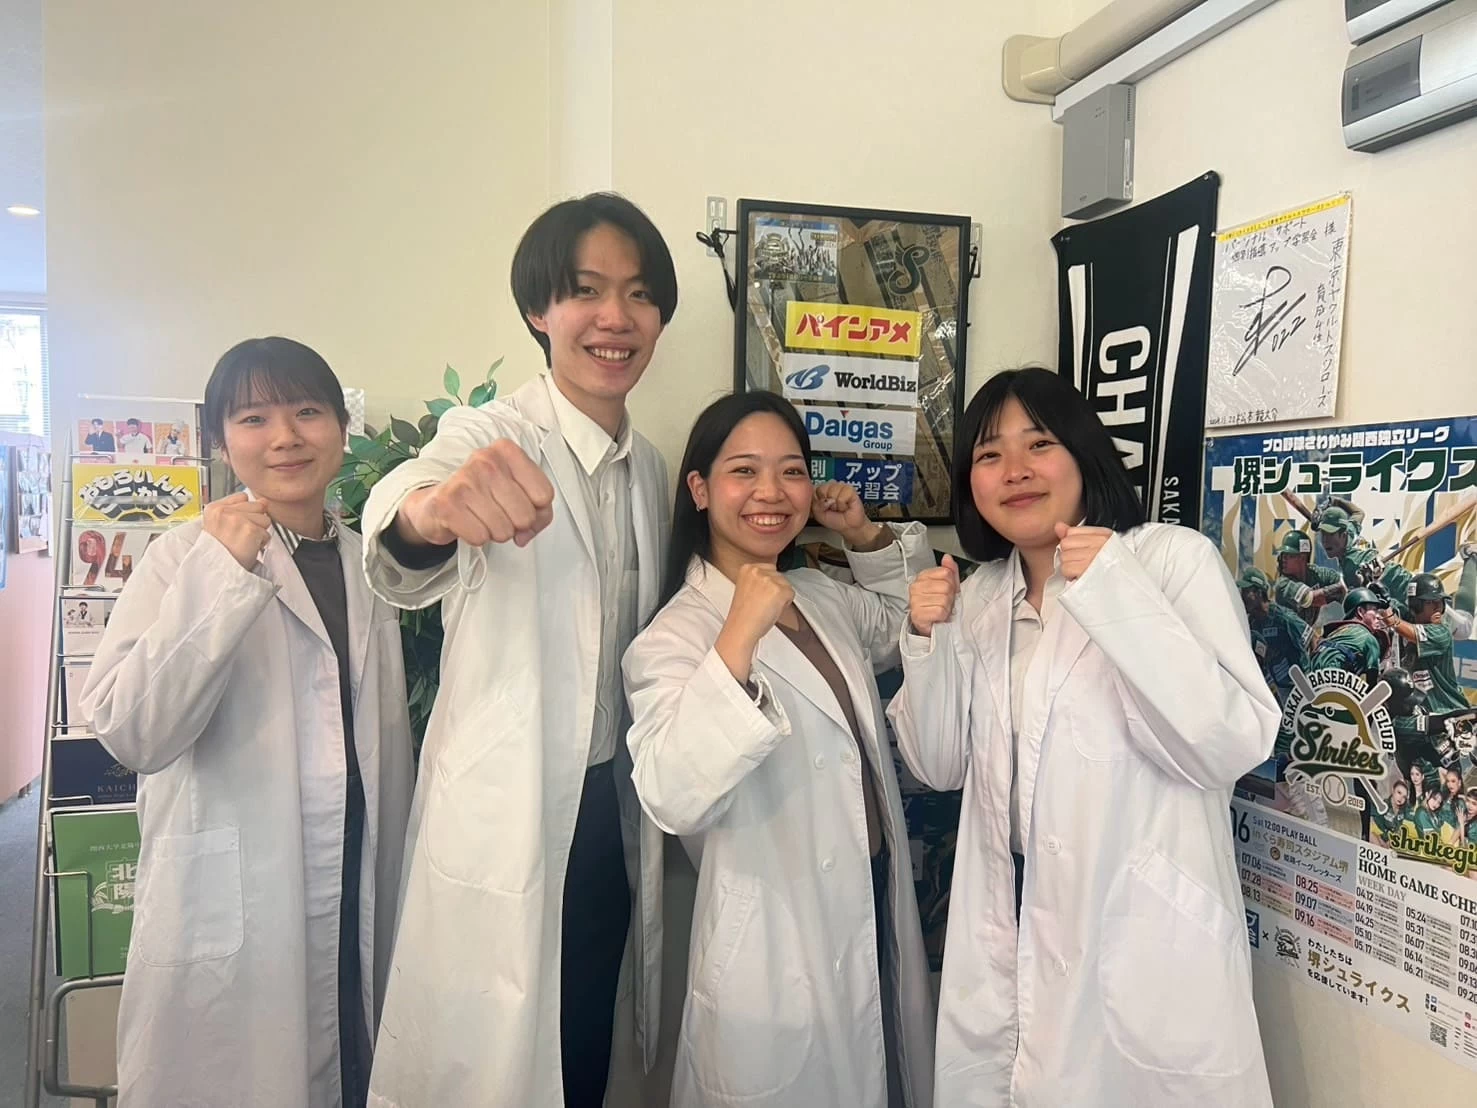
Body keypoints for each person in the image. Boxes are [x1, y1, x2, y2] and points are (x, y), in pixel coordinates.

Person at [360, 193, 678, 1108]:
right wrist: (432, 512)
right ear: (540, 310)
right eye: (585, 291)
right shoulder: (490, 435)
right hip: (507, 809)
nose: (615, 318)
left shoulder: (650, 468)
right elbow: (409, 511)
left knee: (582, 1042)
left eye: (639, 294)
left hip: (607, 808)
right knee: (489, 1060)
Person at [889, 367, 1276, 1107]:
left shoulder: (1168, 560)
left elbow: (1227, 743)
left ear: (1083, 453)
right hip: (1009, 916)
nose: (1015, 470)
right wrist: (925, 637)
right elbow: (937, 765)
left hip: (1137, 934)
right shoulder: (981, 595)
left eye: (1039, 444)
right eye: (989, 455)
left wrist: (1113, 592)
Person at [80, 337, 415, 1107]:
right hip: (247, 889)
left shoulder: (370, 565)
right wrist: (221, 576)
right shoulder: (181, 559)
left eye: (307, 412)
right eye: (254, 418)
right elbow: (134, 731)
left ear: (342, 428)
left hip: (359, 873)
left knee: (356, 1062)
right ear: (220, 442)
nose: (285, 437)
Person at [622, 393, 936, 1108]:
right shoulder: (674, 636)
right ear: (700, 489)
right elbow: (672, 793)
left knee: (881, 1072)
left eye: (791, 471)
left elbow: (900, 622)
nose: (771, 492)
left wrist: (862, 534)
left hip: (872, 890)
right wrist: (737, 635)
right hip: (773, 933)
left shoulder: (816, 593)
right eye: (744, 471)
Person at [1238, 565, 1310, 703]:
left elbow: (1312, 640)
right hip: (1280, 687)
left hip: (1301, 684)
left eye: (1246, 591)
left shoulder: (1282, 617)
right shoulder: (1251, 624)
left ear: (1259, 592)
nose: (1242, 596)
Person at [1271, 529, 1344, 628]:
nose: (1284, 559)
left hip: (1305, 632)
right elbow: (1312, 599)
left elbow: (1342, 581)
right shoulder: (1283, 584)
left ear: (1302, 557)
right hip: (1284, 635)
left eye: (1289, 555)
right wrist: (1341, 588)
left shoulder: (1315, 573)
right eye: (1283, 554)